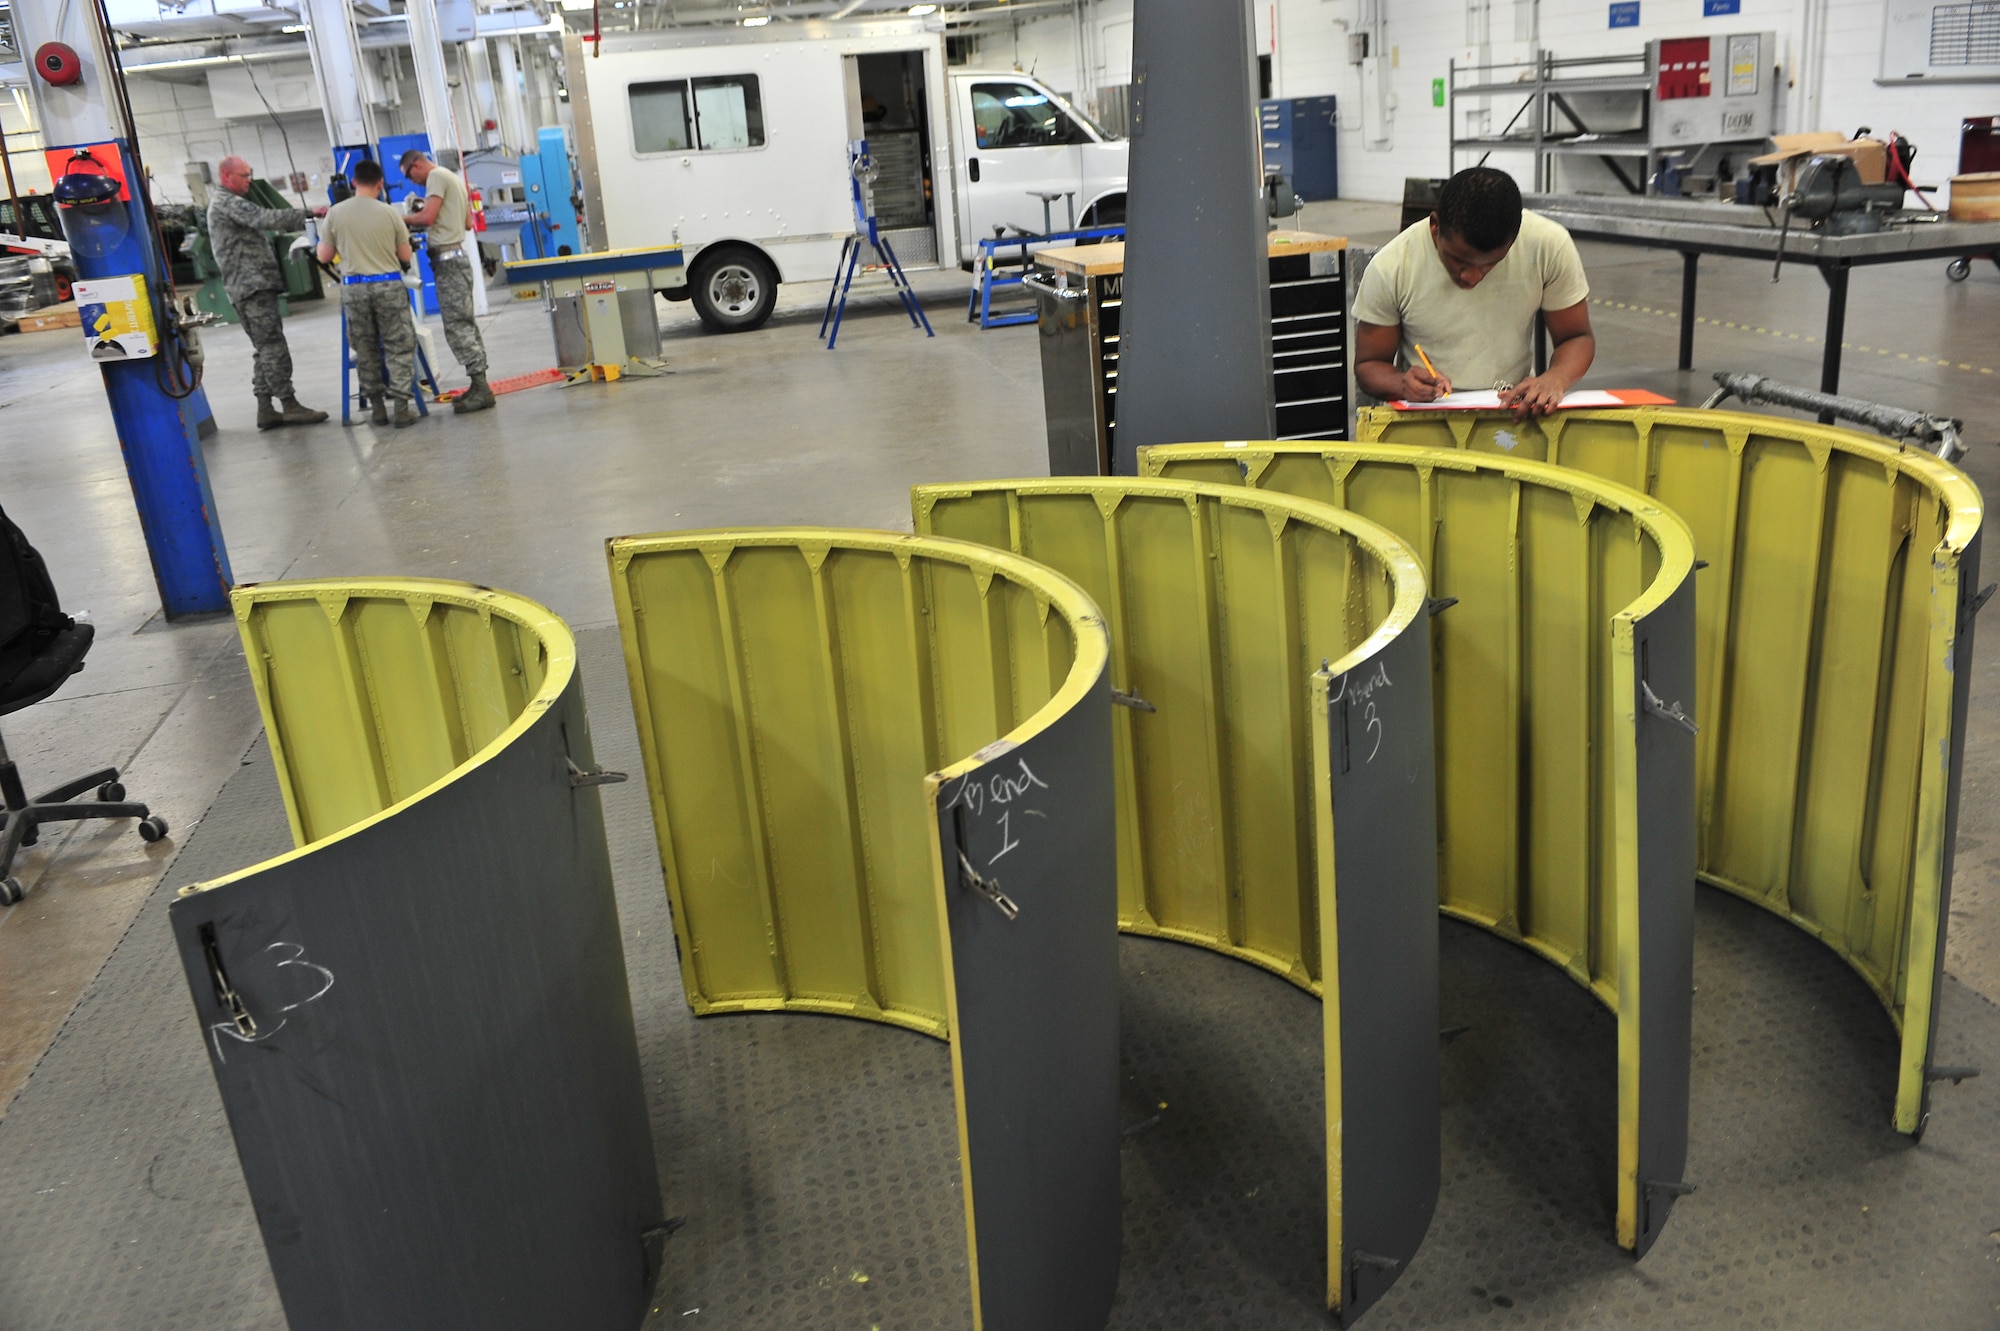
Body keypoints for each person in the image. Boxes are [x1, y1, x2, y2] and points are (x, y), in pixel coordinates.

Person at [1352, 166, 1595, 421]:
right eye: (1459, 261)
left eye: (1491, 264)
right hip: (1427, 417)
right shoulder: (1392, 266)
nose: (1472, 277)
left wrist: (1555, 378)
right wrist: (1402, 384)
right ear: (1435, 226)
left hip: (1512, 410)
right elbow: (1369, 365)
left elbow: (1576, 337)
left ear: (1513, 240)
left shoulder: (1548, 245)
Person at [207, 156, 330, 430]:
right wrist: (310, 212)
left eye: (250, 174)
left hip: (251, 285)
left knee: (264, 347)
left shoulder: (227, 201)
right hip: (252, 286)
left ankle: (266, 409)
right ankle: (290, 405)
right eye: (243, 175)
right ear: (227, 177)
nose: (249, 180)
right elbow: (264, 218)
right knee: (273, 347)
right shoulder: (226, 201)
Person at [317, 160, 421, 429]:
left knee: (365, 348)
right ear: (380, 184)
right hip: (388, 285)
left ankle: (376, 408)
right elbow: (405, 255)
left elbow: (324, 256)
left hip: (353, 288)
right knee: (398, 345)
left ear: (354, 183)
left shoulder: (335, 213)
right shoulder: (389, 213)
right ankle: (401, 408)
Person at [397, 150, 494, 414]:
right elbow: (466, 223)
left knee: (457, 325)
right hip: (456, 260)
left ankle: (481, 387)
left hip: (449, 263)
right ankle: (478, 384)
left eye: (409, 175)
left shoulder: (436, 177)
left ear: (415, 165)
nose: (413, 182)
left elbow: (427, 218)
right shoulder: (452, 178)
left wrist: (397, 219)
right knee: (464, 323)